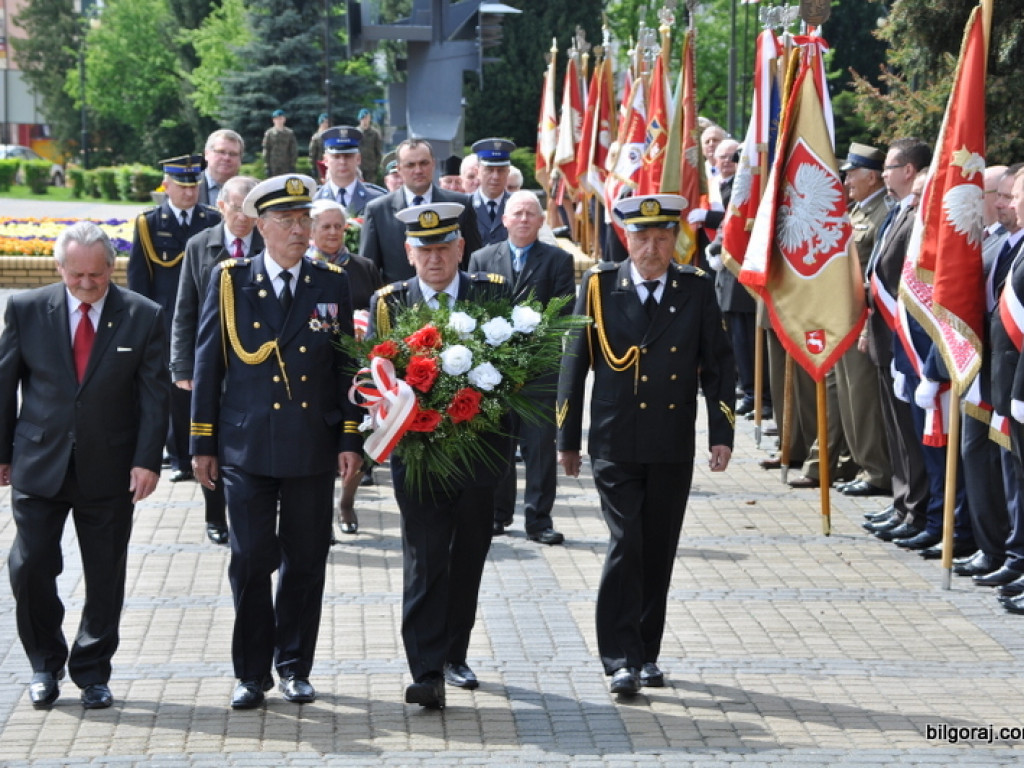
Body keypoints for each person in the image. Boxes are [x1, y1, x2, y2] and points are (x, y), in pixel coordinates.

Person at [190, 174, 364, 709]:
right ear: (260, 226)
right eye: (285, 221)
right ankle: (250, 673)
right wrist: (202, 442)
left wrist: (350, 436)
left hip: (311, 444)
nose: (298, 230)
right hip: (246, 446)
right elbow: (209, 363)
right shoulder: (231, 281)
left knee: (307, 559)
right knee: (249, 559)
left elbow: (345, 366)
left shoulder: (330, 282)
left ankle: (293, 666)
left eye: (303, 220)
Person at [556, 194, 735, 697]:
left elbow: (718, 365)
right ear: (626, 238)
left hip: (671, 439)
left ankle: (646, 654)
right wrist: (567, 439)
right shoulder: (599, 286)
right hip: (615, 439)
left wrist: (721, 434)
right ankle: (619, 658)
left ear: (675, 239)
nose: (651, 248)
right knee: (626, 542)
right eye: (642, 238)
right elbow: (574, 363)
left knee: (658, 547)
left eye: (661, 238)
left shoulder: (694, 287)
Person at [0, 221, 169, 710]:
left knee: (104, 575)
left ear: (111, 268)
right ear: (60, 268)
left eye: (97, 275)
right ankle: (44, 663)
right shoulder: (27, 309)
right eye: (77, 275)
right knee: (30, 566)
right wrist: (2, 454)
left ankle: (93, 671)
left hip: (110, 468)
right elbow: (4, 384)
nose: (87, 284)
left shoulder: (142, 315)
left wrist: (147, 461)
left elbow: (154, 396)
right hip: (39, 462)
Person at [367, 201, 512, 710]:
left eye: (444, 248)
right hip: (419, 457)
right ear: (409, 252)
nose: (435, 258)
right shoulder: (389, 303)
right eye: (424, 249)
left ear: (461, 248)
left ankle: (455, 654)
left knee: (467, 557)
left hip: (477, 454)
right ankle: (425, 671)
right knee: (425, 560)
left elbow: (515, 373)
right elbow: (374, 380)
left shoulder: (491, 296)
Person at [469, 190, 575, 545]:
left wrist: (531, 334)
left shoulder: (558, 260)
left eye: (531, 213)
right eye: (517, 213)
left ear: (542, 221)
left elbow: (564, 310)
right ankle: (497, 514)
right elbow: (472, 309)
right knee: (497, 444)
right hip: (494, 373)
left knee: (540, 450)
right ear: (505, 220)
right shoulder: (482, 258)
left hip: (539, 372)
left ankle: (539, 520)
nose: (524, 219)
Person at [170, 174, 262, 546]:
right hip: (212, 362)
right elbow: (185, 309)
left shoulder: (267, 242)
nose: (242, 217)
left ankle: (252, 511)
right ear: (221, 206)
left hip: (256, 360)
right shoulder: (199, 245)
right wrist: (182, 365)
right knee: (209, 439)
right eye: (236, 208)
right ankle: (214, 513)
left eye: (250, 209)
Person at [128, 154, 221, 484]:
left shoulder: (212, 220)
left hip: (207, 318)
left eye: (194, 186)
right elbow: (139, 280)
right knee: (174, 393)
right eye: (182, 186)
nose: (190, 192)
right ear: (166, 186)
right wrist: (142, 325)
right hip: (167, 323)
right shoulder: (149, 223)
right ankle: (180, 458)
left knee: (206, 387)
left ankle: (208, 451)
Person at [306, 198, 383, 537]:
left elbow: (380, 309)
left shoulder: (363, 267)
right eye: (326, 226)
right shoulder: (303, 267)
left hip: (358, 369)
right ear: (311, 230)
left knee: (358, 438)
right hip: (318, 370)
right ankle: (318, 514)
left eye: (339, 226)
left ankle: (347, 502)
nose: (333, 232)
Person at [832, 142, 893, 497]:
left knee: (864, 398)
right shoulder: (858, 210)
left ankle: (877, 471)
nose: (846, 181)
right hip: (846, 316)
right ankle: (861, 464)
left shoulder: (884, 211)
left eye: (852, 174)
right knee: (849, 396)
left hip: (866, 318)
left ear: (872, 177)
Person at [359, 138, 482, 283]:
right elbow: (368, 272)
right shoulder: (378, 211)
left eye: (424, 163)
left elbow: (473, 262)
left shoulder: (460, 205)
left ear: (433, 164)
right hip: (399, 296)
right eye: (410, 165)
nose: (418, 170)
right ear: (399, 169)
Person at [312, 126, 384, 215]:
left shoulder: (377, 200)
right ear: (325, 160)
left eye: (348, 156)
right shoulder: (314, 201)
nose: (342, 162)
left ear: (358, 159)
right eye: (336, 157)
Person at [470, 138, 515, 246]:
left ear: (508, 172)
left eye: (501, 170)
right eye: (489, 169)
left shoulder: (517, 205)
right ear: (477, 172)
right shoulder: (466, 205)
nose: (495, 176)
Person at [198, 129, 244, 207]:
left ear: (240, 159)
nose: (226, 158)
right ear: (206, 154)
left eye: (233, 154)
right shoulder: (189, 187)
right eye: (221, 152)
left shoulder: (250, 190)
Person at [262, 109, 297, 176]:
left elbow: (293, 150)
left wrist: (292, 165)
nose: (279, 121)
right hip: (273, 165)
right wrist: (267, 165)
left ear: (284, 119)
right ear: (273, 120)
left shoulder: (289, 133)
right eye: (277, 119)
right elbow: (266, 150)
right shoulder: (269, 133)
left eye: (281, 119)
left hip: (286, 165)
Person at [358, 108, 384, 185]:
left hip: (371, 167)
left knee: (371, 187)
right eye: (363, 118)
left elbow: (378, 151)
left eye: (367, 118)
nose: (365, 120)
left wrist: (377, 165)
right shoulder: (356, 133)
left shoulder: (374, 133)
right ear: (360, 119)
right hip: (358, 166)